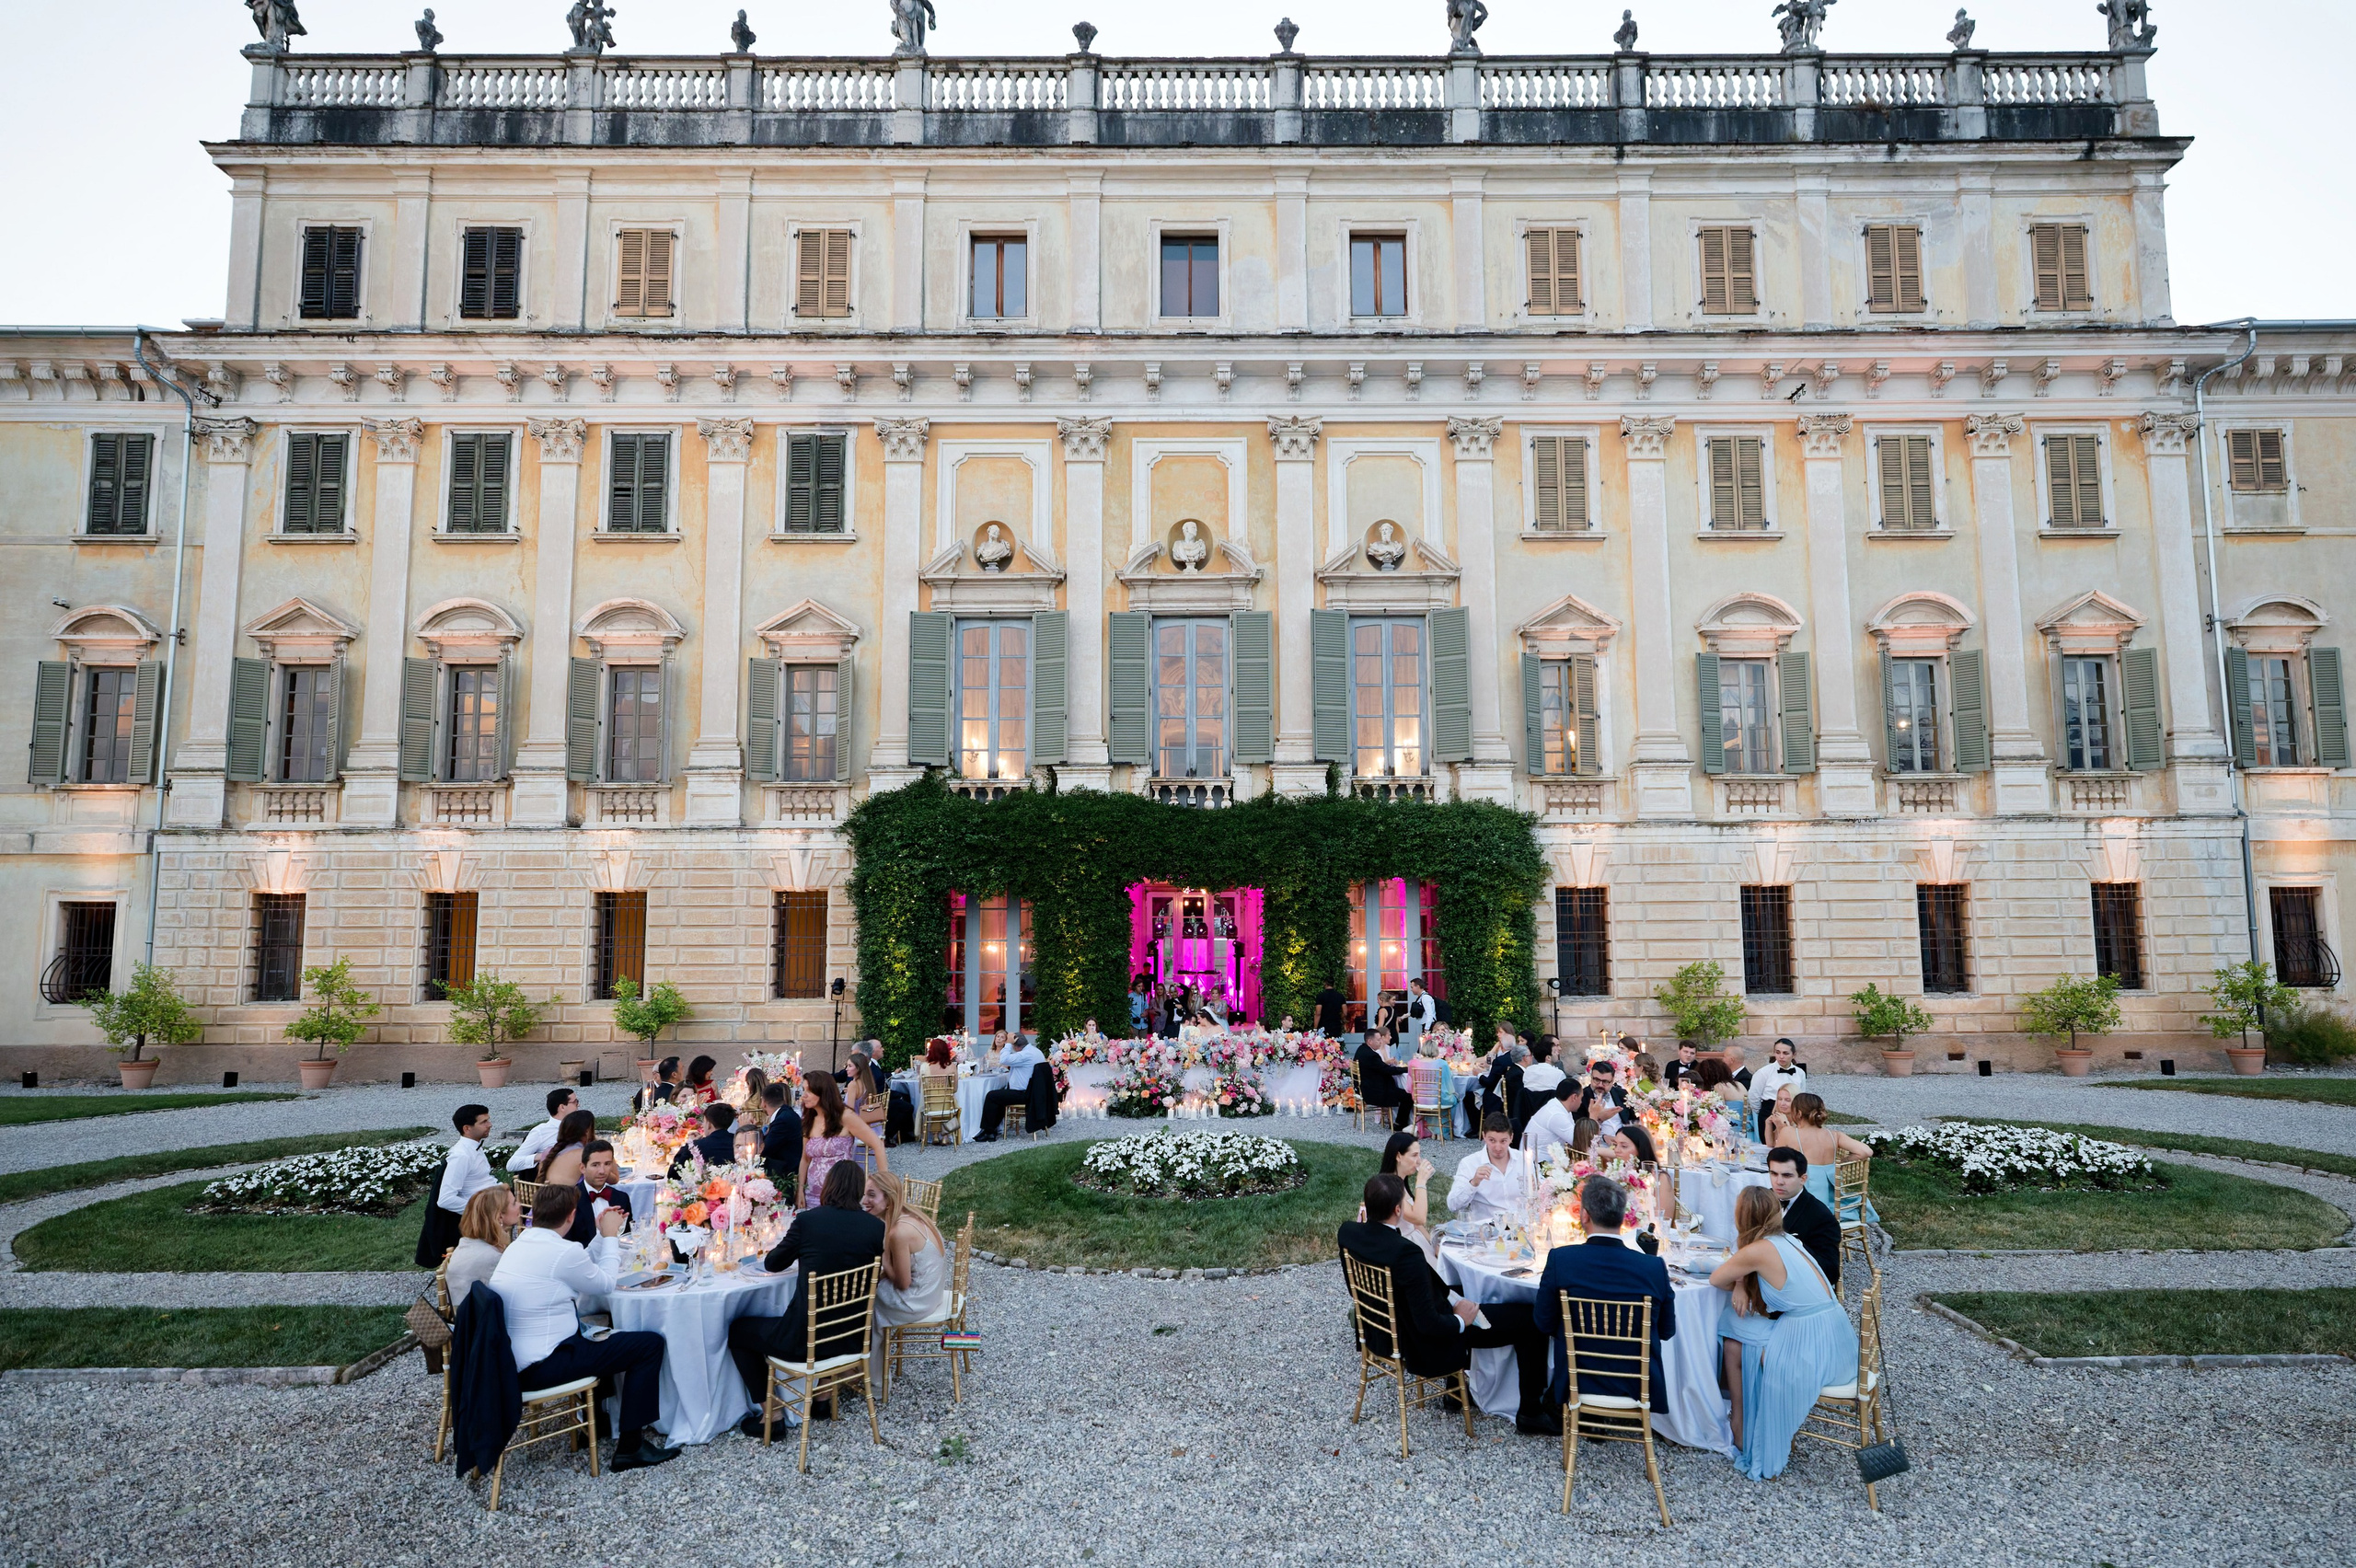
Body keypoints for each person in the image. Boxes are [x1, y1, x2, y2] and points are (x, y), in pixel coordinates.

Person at [1340, 1175, 1560, 1435]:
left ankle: (1455, 1394)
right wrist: (1461, 1320)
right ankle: (1531, 1412)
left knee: (1466, 1291)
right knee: (1530, 1319)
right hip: (1419, 1338)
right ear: (1398, 1210)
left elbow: (1429, 1290)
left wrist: (1455, 1300)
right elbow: (1429, 1323)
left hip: (1384, 1326)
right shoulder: (1405, 1254)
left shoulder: (1349, 1232)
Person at [488, 1183, 681, 1470]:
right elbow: (603, 1283)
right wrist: (612, 1237)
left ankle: (600, 1423)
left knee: (600, 1333)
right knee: (648, 1345)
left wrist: (602, 1236)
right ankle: (631, 1447)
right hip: (542, 1364)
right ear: (571, 1216)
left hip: (512, 1360)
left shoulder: (521, 1244)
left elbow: (580, 1265)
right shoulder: (561, 1252)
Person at [728, 1161, 888, 1435]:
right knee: (831, 1308)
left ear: (829, 1186)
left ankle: (772, 1415)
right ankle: (823, 1400)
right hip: (851, 1337)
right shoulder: (874, 1227)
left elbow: (773, 1264)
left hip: (805, 1341)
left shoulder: (808, 1221)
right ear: (858, 1191)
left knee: (738, 1330)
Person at [1710, 1185, 1856, 1476]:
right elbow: (1742, 1273)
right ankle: (1742, 1419)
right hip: (1836, 1337)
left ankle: (1740, 1421)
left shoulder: (1756, 1250)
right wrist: (1741, 1283)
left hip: (1807, 1343)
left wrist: (1738, 1282)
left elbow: (1716, 1278)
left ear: (1742, 1217)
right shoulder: (1786, 1239)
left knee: (1730, 1325)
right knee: (1735, 1333)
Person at [1534, 1175, 1677, 1418]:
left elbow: (1543, 1322)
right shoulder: (1653, 1267)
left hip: (1577, 1379)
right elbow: (1666, 1331)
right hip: (1636, 1384)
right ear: (1623, 1217)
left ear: (1585, 1215)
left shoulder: (1562, 1260)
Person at [866, 1170, 951, 1327]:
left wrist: (884, 1259)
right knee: (871, 1284)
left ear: (889, 1201)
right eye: (864, 1194)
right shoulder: (914, 1215)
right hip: (933, 1293)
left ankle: (869, 1348)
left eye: (871, 1195)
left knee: (865, 1296)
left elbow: (903, 1283)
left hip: (917, 1302)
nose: (864, 1201)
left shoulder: (899, 1232)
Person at [798, 1073, 886, 1209]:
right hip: (812, 1195)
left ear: (823, 1091)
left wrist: (883, 1185)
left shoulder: (846, 1116)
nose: (804, 1095)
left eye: (809, 1091)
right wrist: (800, 1191)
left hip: (840, 1195)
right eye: (804, 1090)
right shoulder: (809, 1119)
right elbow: (805, 1159)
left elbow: (877, 1145)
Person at [1784, 1093, 1876, 1217]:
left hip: (1805, 1198)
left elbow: (1776, 1159)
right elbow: (1866, 1151)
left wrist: (1780, 1126)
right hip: (1834, 1202)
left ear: (1798, 1113)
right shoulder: (1834, 1135)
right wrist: (1841, 1162)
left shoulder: (1789, 1133)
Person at [1765, 1147, 1841, 1293]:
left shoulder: (1821, 1216)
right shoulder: (1764, 1200)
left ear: (1803, 1179)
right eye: (1774, 1174)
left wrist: (1794, 1246)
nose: (1779, 1182)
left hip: (1797, 1292)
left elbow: (1831, 1272)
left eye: (1787, 1176)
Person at [1445, 1115, 1532, 1226]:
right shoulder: (1469, 1163)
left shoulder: (1524, 1160)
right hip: (1487, 1228)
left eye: (1503, 1141)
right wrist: (1473, 1183)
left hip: (1521, 1226)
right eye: (1492, 1140)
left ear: (1511, 1138)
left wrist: (1537, 1188)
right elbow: (1453, 1205)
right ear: (1484, 1137)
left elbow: (1543, 1195)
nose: (1498, 1147)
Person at [446, 1185, 520, 1308]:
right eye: (514, 1204)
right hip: (478, 1320)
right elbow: (515, 1294)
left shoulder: (468, 1242)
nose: (519, 1205)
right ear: (499, 1216)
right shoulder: (492, 1257)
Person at [1377, 1131, 1440, 1262]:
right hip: (1401, 1250)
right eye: (1414, 1155)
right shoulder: (1388, 1188)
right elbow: (1419, 1218)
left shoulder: (1399, 1182)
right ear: (1398, 1156)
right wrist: (1421, 1182)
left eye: (1419, 1155)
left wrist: (1433, 1245)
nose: (1419, 1161)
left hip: (1415, 1241)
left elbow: (1417, 1224)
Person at [976, 1032, 1045, 1141]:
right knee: (1000, 1095)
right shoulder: (1036, 1051)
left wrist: (1007, 1043)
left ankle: (988, 1131)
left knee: (991, 1096)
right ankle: (992, 1130)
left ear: (1016, 1046)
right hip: (1034, 1092)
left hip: (1024, 1093)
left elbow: (1003, 1060)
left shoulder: (1024, 1055)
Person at [565, 1139, 633, 1246]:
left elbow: (627, 1237)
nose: (602, 1171)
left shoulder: (621, 1198)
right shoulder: (569, 1199)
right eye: (595, 1165)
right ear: (583, 1168)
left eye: (607, 1164)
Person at [437, 1104, 501, 1216]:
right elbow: (445, 1199)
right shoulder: (461, 1156)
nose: (490, 1125)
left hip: (498, 1198)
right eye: (483, 1122)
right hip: (490, 1212)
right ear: (467, 1128)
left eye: (488, 1120)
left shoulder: (474, 1146)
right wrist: (483, 1210)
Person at [1353, 1029, 1414, 1133]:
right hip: (1374, 1091)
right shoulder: (1372, 1055)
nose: (1380, 1042)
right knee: (1408, 1097)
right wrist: (1407, 1069)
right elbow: (1387, 1070)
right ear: (1370, 1042)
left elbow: (1380, 1068)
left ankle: (1398, 1122)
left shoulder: (1361, 1049)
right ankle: (1400, 1124)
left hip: (1365, 1087)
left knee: (1401, 1092)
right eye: (1378, 1040)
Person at [509, 1089, 580, 1173]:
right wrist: (542, 1156)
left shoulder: (579, 1126)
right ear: (562, 1107)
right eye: (575, 1102)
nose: (578, 1105)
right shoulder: (541, 1132)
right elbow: (512, 1164)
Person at [1521, 1078, 1586, 1164]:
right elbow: (1582, 1143)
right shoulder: (1556, 1115)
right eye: (1581, 1098)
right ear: (1574, 1097)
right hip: (1536, 1165)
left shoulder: (1560, 1106)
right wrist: (1594, 1116)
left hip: (1549, 1162)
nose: (1581, 1102)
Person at [759, 1081, 803, 1196]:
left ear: (763, 1103)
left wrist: (751, 1131)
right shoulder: (785, 1113)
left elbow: (764, 1149)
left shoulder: (782, 1120)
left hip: (786, 1174)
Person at [669, 1102, 739, 1174]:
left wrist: (690, 1143)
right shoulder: (738, 1141)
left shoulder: (695, 1146)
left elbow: (674, 1172)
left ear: (709, 1124)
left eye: (704, 1122)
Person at [535, 1108, 600, 1186]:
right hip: (567, 1197)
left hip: (543, 1196)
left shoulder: (548, 1151)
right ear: (587, 1132)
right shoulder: (583, 1154)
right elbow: (610, 1179)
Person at [1567, 1058, 1629, 1130]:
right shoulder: (1580, 1098)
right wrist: (1598, 1118)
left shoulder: (1621, 1094)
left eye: (1605, 1082)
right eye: (1597, 1080)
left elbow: (1633, 1120)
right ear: (1591, 1078)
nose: (1600, 1085)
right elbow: (1579, 1131)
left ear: (1612, 1081)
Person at [1750, 1038, 1807, 1112]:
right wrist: (1761, 1113)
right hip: (1769, 1112)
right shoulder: (1763, 1072)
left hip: (1793, 1113)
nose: (1781, 1056)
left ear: (1794, 1055)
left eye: (1785, 1053)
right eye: (1778, 1052)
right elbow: (1753, 1096)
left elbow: (1801, 1095)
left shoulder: (1800, 1072)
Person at [1519, 1035, 1564, 1101]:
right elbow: (1564, 1095)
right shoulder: (1559, 1074)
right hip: (1551, 1108)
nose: (1557, 1053)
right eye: (1554, 1052)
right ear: (1548, 1057)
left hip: (1530, 1109)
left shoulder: (1527, 1071)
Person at [1761, 1083, 1799, 1147]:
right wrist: (1768, 1123)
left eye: (1788, 1100)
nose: (1782, 1103)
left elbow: (1783, 1148)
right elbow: (1771, 1144)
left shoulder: (1799, 1122)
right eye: (1780, 1099)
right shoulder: (1781, 1117)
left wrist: (1782, 1127)